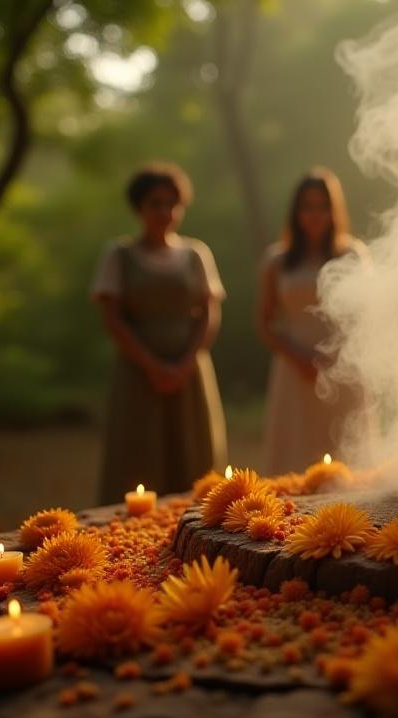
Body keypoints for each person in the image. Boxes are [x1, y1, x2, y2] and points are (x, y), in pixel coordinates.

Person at [91, 162, 228, 502]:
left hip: (189, 371)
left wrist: (185, 363)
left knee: (192, 452)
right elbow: (112, 318)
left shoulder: (196, 253)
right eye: (156, 203)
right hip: (138, 374)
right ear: (139, 207)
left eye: (172, 203)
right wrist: (152, 365)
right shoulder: (119, 255)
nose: (165, 211)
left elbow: (209, 312)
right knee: (139, 455)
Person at [257, 168, 366, 474]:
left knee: (346, 458)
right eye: (307, 206)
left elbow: (365, 318)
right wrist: (300, 358)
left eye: (322, 206)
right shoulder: (276, 261)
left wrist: (334, 356)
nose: (314, 215)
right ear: (296, 212)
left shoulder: (352, 256)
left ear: (334, 211)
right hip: (293, 372)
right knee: (294, 455)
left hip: (342, 369)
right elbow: (265, 322)